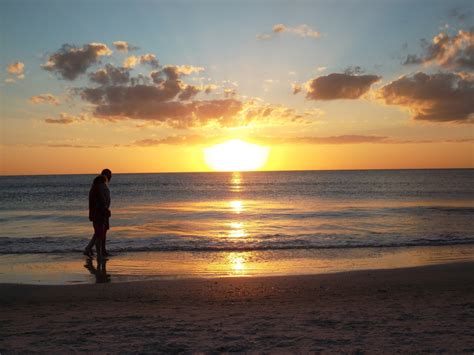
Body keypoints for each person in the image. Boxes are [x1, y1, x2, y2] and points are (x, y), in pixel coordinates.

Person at [84, 169, 112, 260]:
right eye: (108, 175)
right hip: (100, 213)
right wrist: (105, 210)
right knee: (100, 233)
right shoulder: (99, 187)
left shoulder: (98, 186)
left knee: (99, 233)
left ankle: (90, 249)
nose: (109, 177)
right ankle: (98, 253)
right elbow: (101, 200)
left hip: (100, 213)